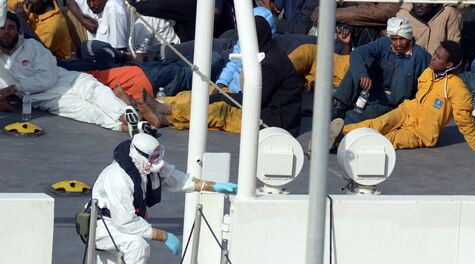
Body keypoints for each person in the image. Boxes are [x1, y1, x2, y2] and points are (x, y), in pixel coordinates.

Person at [137, 15, 302, 136]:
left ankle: (168, 116)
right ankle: (162, 103)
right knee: (208, 92)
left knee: (220, 110)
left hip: (273, 122)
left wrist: (223, 97)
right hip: (262, 109)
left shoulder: (270, 63)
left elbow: (252, 102)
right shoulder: (266, 51)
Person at [90, 133, 237, 264]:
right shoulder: (118, 178)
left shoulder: (147, 167)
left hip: (120, 223)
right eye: (154, 157)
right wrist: (164, 236)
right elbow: (125, 222)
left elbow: (181, 180)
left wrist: (213, 186)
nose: (158, 161)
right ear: (139, 155)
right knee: (137, 245)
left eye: (158, 155)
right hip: (103, 224)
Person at [335, 40, 475, 152]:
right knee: (379, 123)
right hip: (408, 111)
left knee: (389, 139)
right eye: (434, 54)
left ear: (449, 65)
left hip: (423, 132)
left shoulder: (457, 87)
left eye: (438, 57)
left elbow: (464, 118)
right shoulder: (429, 72)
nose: (433, 57)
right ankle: (341, 132)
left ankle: (341, 144)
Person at [0, 12, 130, 131]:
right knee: (88, 112)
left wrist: (13, 89)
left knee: (96, 90)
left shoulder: (32, 46)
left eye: (11, 28)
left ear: (18, 31)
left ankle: (127, 118)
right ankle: (127, 127)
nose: (6, 32)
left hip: (68, 79)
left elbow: (48, 77)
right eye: (2, 28)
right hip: (49, 97)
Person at [332, 16, 431, 124]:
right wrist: (362, 74)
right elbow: (358, 53)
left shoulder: (421, 57)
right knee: (358, 65)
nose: (398, 43)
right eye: (394, 39)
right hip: (373, 93)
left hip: (392, 105)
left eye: (402, 39)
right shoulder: (384, 44)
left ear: (409, 37)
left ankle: (341, 125)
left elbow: (425, 88)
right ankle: (338, 107)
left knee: (355, 118)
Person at [396, 3, 462, 55]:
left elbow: (453, 48)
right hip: (412, 65)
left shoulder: (449, 13)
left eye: (424, 1)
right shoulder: (403, 15)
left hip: (440, 67)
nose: (418, 5)